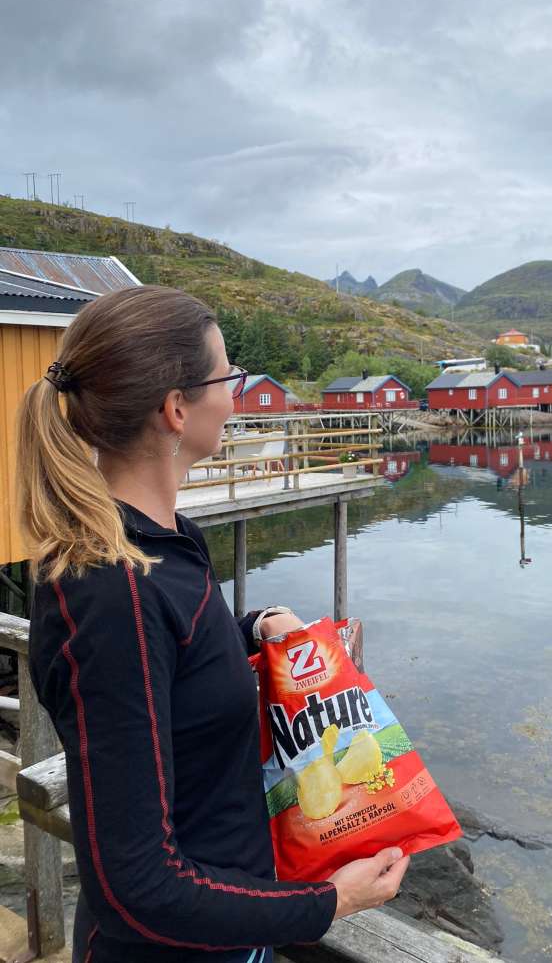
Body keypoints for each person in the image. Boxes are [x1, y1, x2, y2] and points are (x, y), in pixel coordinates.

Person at [15, 285, 409, 963]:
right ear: (175, 409)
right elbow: (136, 887)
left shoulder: (166, 542)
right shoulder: (112, 593)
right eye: (228, 377)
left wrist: (253, 629)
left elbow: (175, 656)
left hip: (230, 930)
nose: (235, 394)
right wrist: (330, 902)